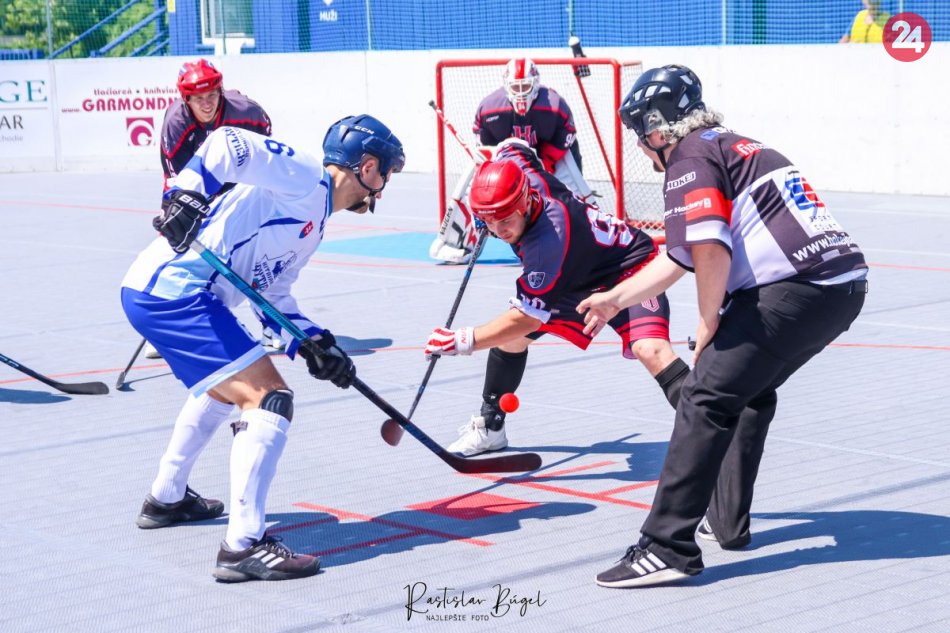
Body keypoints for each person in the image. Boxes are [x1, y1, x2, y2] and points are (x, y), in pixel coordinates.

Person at [578, 65, 868, 588]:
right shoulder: (735, 145)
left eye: (640, 134)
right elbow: (682, 255)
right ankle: (726, 522)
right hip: (841, 288)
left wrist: (709, 320)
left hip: (796, 288)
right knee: (748, 391)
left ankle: (666, 547)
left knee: (703, 397)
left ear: (657, 129)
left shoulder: (688, 158)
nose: (640, 147)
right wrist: (615, 299)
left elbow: (709, 249)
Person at [120, 115, 405, 582]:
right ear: (368, 167)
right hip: (177, 293)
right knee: (269, 399)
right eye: (387, 174)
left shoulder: (314, 223)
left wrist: (314, 343)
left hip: (174, 296)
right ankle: (243, 546)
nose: (384, 187)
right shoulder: (306, 177)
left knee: (222, 391)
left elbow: (272, 296)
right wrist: (183, 194)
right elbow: (227, 144)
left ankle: (166, 498)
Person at [423, 138, 690, 457]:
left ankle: (716, 429)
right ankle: (491, 427)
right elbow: (515, 146)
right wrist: (493, 173)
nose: (499, 229)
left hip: (628, 269)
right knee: (511, 341)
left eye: (505, 219)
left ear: (524, 203)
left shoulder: (546, 242)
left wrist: (463, 340)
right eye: (488, 221)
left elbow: (527, 318)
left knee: (651, 350)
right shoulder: (519, 174)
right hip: (574, 276)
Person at [145, 58, 277, 359]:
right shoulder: (175, 123)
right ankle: (164, 331)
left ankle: (272, 326)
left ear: (220, 91)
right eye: (198, 99)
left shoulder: (249, 113)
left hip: (242, 184)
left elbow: (268, 160)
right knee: (173, 251)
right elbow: (175, 181)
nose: (206, 104)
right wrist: (176, 220)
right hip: (197, 185)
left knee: (263, 255)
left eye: (212, 96)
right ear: (186, 100)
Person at [430, 58, 594, 264]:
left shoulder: (554, 105)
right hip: (507, 161)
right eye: (516, 87)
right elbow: (486, 148)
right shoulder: (489, 108)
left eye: (525, 86)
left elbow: (567, 134)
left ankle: (588, 232)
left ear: (536, 84)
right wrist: (495, 169)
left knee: (570, 192)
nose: (521, 93)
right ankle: (458, 242)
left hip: (545, 157)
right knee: (475, 186)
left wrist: (547, 161)